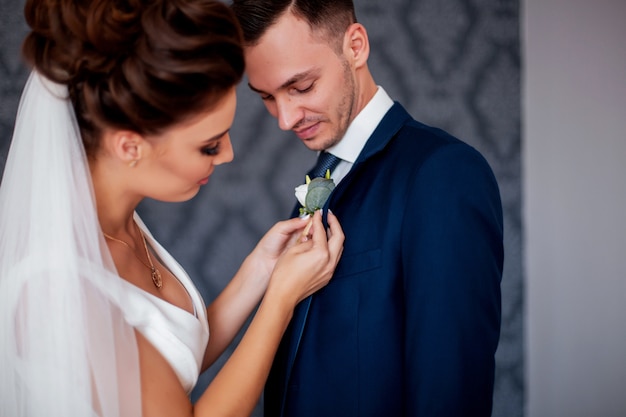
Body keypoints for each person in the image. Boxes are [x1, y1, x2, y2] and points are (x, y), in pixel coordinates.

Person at [0, 0, 345, 416]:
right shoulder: (55, 286)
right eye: (209, 145)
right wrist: (279, 303)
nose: (228, 156)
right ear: (130, 146)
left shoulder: (117, 222)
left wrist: (261, 270)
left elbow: (168, 363)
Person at [231, 1, 504, 416]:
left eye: (301, 87)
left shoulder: (442, 175)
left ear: (356, 46)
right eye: (267, 97)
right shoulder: (319, 180)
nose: (285, 118)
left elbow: (450, 391)